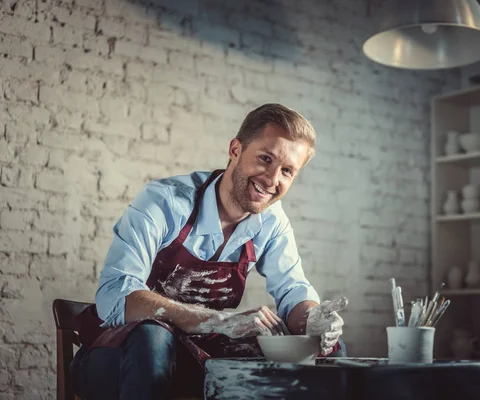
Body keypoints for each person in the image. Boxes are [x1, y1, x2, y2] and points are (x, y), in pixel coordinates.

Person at [71, 103, 348, 399]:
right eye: (265, 159)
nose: (272, 179)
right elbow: (115, 293)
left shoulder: (272, 221)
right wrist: (216, 321)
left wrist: (311, 319)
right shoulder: (165, 201)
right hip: (117, 356)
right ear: (235, 150)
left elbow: (293, 289)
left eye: (287, 171)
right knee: (152, 336)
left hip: (194, 355)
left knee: (327, 349)